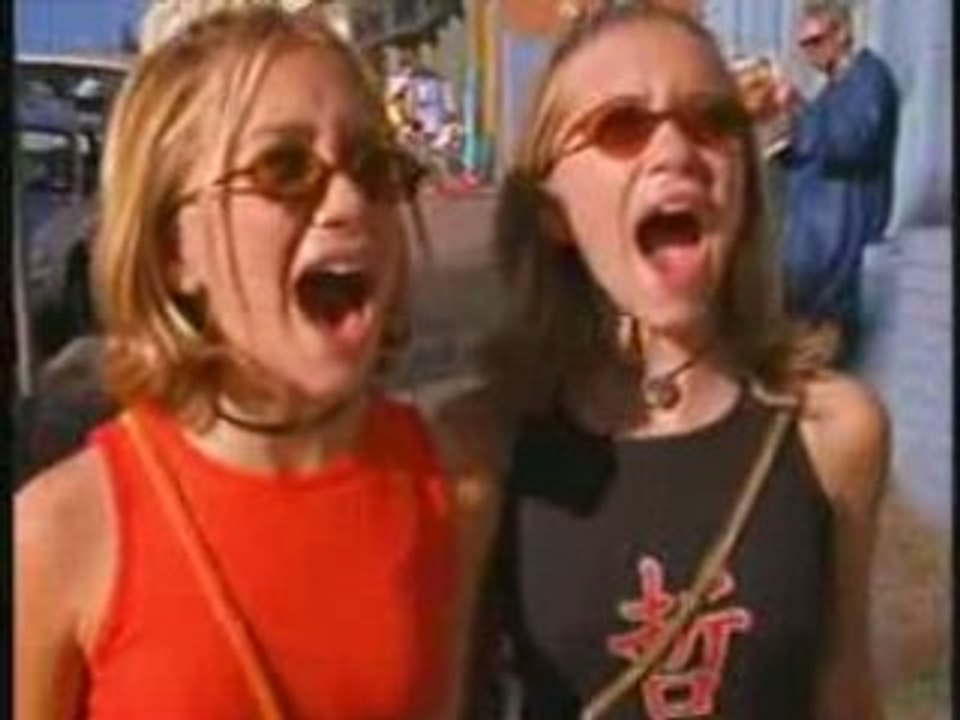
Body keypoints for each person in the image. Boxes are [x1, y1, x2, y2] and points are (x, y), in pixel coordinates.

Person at [15, 7, 478, 718]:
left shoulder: (453, 486)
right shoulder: (63, 532)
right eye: (283, 168)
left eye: (373, 167)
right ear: (174, 247)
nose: (348, 201)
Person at [450, 5, 890, 719]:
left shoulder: (834, 432)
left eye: (712, 121)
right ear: (551, 210)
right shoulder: (480, 448)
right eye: (622, 125)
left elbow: (845, 686)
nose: (676, 151)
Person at [773, 2, 899, 367]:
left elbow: (852, 142)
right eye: (804, 45)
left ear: (842, 33)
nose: (809, 54)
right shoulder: (831, 91)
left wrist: (798, 110)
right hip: (810, 276)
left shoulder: (870, 79)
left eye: (815, 41)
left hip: (837, 277)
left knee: (828, 381)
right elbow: (811, 153)